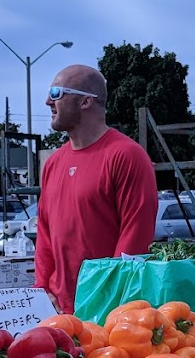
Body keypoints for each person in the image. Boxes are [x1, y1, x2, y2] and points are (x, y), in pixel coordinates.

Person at [34, 64, 158, 312]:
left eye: (57, 93)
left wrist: (104, 301)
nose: (48, 101)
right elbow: (45, 235)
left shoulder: (126, 155)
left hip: (107, 310)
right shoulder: (53, 164)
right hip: (58, 310)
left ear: (85, 102)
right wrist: (42, 292)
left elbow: (135, 238)